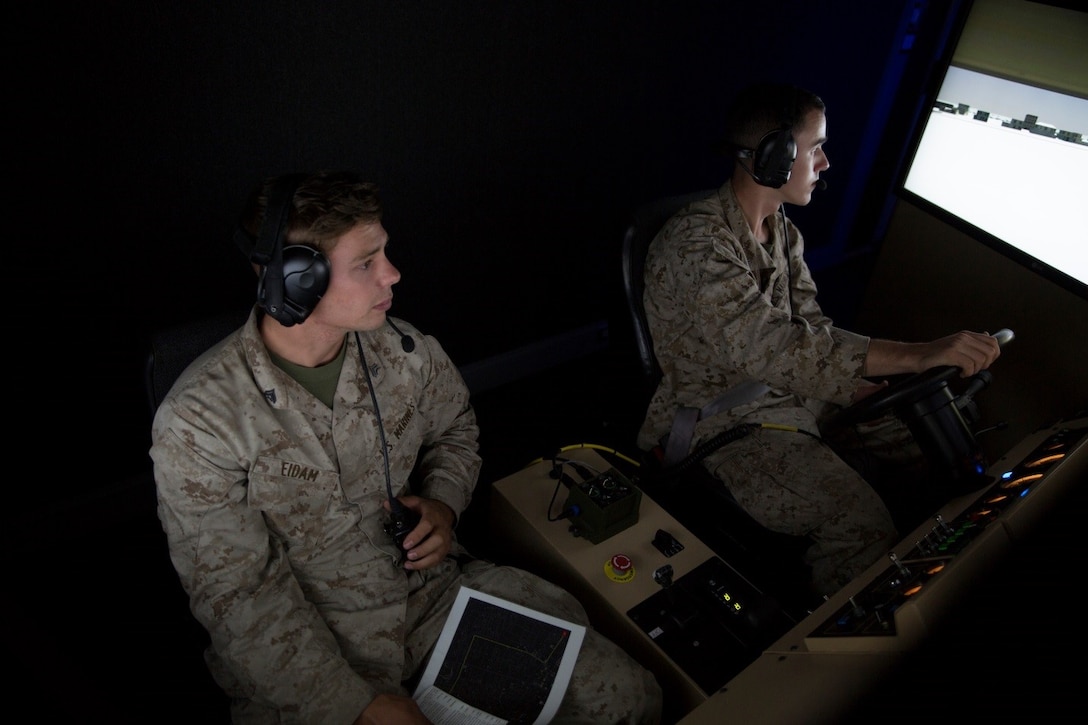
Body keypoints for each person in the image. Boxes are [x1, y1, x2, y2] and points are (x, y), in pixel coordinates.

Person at [150, 170, 662, 724]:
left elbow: (456, 430)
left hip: (431, 603)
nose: (393, 274)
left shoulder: (403, 351)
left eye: (384, 253)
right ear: (296, 281)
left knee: (629, 698)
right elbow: (237, 599)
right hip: (313, 655)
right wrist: (357, 706)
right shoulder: (198, 422)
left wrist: (443, 504)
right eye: (366, 263)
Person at [635, 83, 1002, 603]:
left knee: (931, 436)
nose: (825, 162)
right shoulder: (698, 244)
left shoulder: (782, 235)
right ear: (774, 158)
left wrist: (860, 390)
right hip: (722, 423)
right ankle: (840, 642)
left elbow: (811, 330)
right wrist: (917, 354)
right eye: (815, 149)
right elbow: (773, 346)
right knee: (860, 523)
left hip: (793, 396)